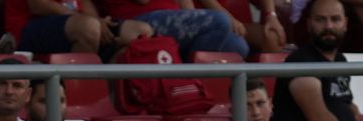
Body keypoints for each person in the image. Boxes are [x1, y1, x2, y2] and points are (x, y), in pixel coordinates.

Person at [97, 0, 249, 59]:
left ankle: (183, 70)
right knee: (220, 21)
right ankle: (187, 77)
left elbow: (187, 8)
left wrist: (194, 24)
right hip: (137, 20)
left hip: (171, 17)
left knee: (238, 45)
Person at [4, 0, 152, 59]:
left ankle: (106, 97)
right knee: (89, 28)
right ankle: (78, 94)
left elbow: (85, 5)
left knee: (139, 31)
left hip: (75, 26)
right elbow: (38, 5)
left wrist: (99, 22)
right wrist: (92, 22)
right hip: (28, 30)